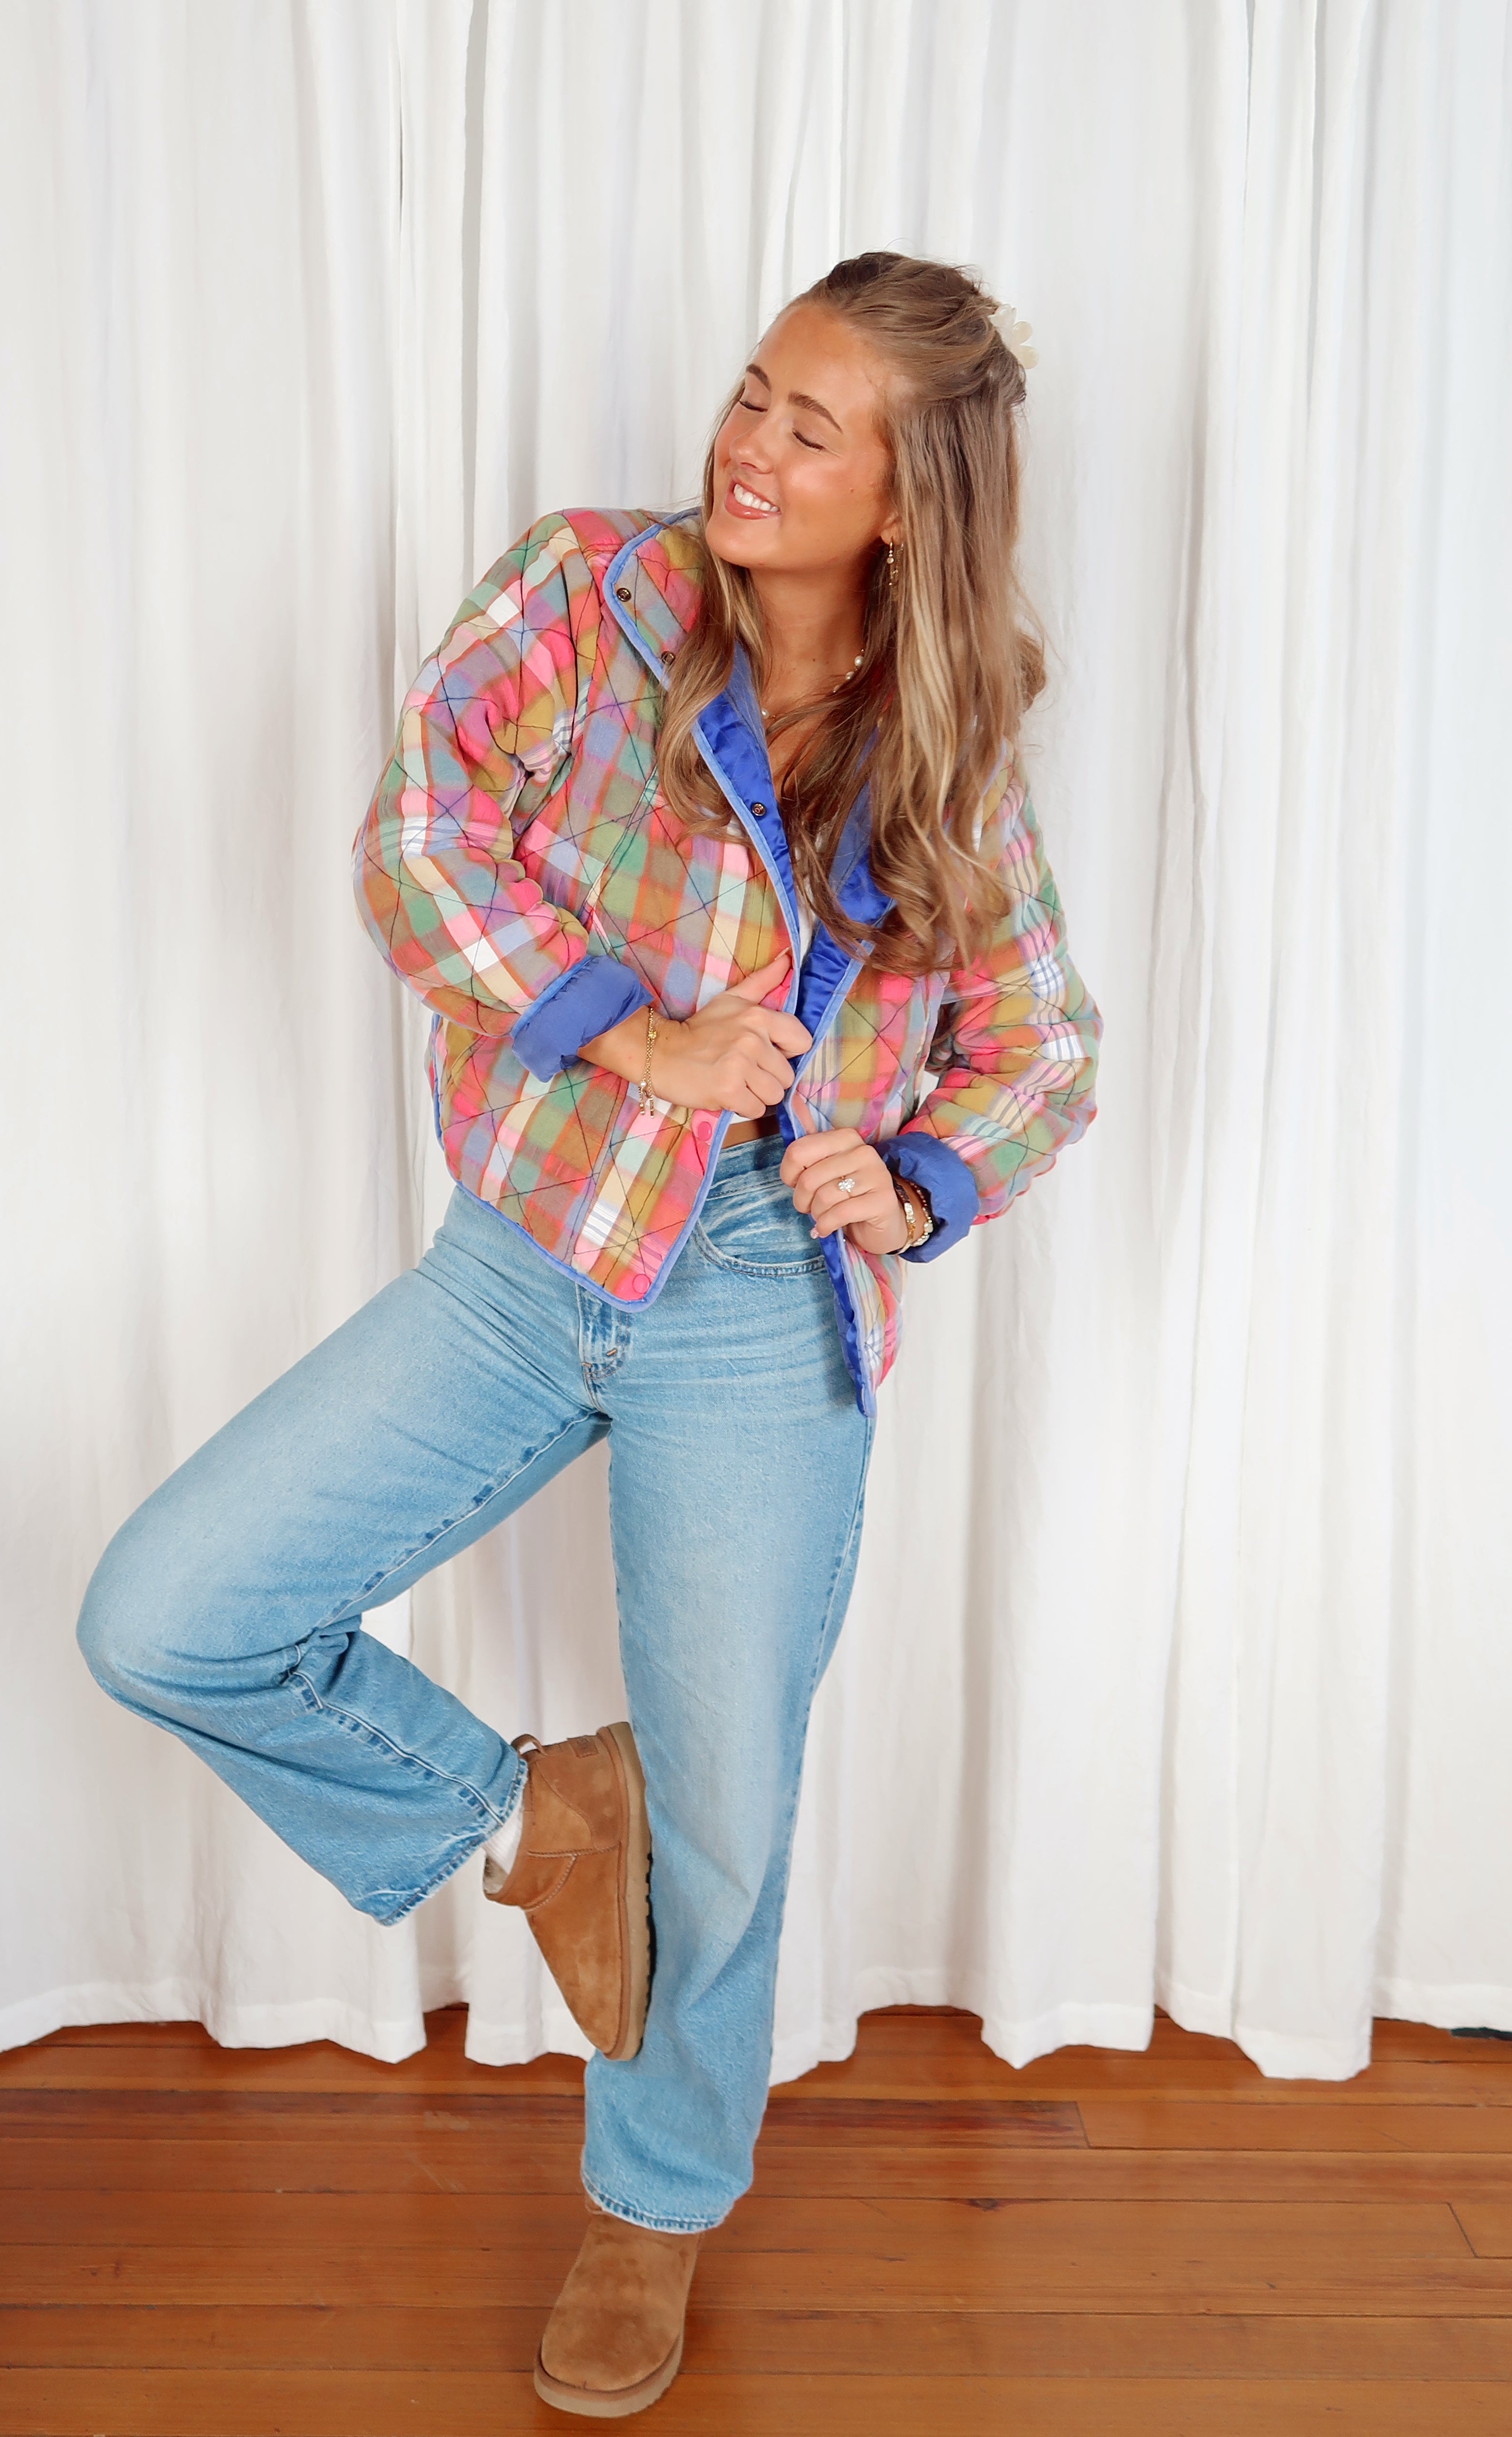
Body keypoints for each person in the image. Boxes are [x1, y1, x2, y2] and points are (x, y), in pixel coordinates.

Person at [78, 250, 1101, 2418]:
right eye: (753, 394)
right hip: (530, 1257)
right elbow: (415, 843)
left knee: (726, 1810)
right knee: (169, 1613)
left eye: (813, 428)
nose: (750, 445)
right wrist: (635, 1035)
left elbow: (1044, 1044)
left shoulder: (949, 738)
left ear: (908, 499)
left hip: (761, 1307)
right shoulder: (586, 594)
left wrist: (916, 1177)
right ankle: (538, 1811)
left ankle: (654, 2208)